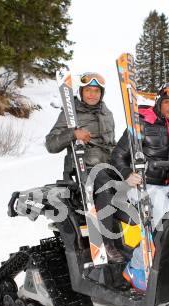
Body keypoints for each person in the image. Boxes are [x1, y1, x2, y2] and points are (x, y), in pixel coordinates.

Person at [111, 82, 169, 291]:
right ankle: (136, 267)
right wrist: (128, 174)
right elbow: (117, 155)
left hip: (165, 185)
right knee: (165, 216)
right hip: (138, 185)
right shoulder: (141, 123)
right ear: (160, 102)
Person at [45, 72, 125, 264]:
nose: (92, 94)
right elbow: (51, 144)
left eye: (96, 90)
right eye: (88, 90)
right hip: (85, 167)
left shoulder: (107, 113)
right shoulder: (70, 113)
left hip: (108, 165)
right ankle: (105, 243)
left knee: (135, 187)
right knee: (106, 188)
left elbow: (111, 143)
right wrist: (73, 134)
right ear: (81, 92)